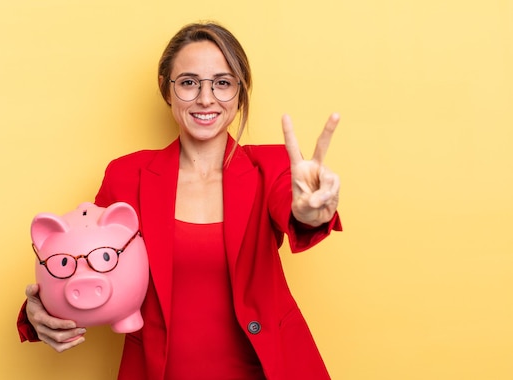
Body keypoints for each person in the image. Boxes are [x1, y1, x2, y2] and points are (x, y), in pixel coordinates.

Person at [18, 21, 342, 380]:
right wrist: (40, 311)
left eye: (223, 82)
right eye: (189, 82)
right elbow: (85, 264)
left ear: (240, 90)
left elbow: (296, 205)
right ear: (166, 89)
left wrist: (309, 210)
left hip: (268, 369)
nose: (206, 98)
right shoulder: (127, 177)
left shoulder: (273, 166)